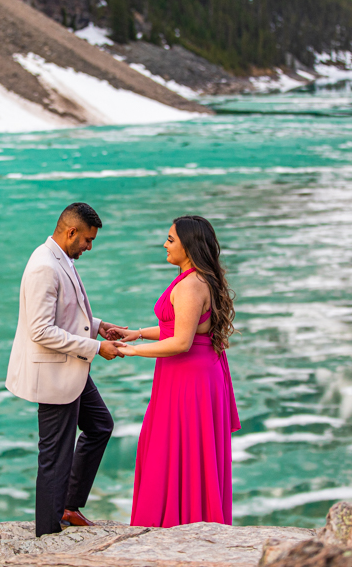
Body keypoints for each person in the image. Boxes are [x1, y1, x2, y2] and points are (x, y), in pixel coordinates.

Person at [107, 215, 241, 527]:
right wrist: (138, 333)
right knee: (180, 450)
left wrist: (133, 351)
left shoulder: (191, 285)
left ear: (189, 245)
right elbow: (179, 328)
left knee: (177, 450)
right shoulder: (196, 279)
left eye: (170, 240)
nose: (164, 245)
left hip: (188, 378)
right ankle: (184, 519)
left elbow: (180, 342)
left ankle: (178, 524)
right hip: (194, 373)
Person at [6, 202, 127, 537]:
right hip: (55, 372)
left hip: (71, 368)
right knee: (55, 456)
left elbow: (67, 311)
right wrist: (96, 348)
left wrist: (98, 325)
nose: (90, 246)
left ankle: (69, 507)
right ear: (71, 231)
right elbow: (41, 330)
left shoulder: (62, 258)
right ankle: (47, 533)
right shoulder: (44, 266)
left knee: (100, 426)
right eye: (88, 239)